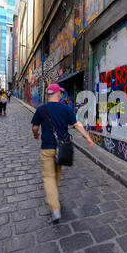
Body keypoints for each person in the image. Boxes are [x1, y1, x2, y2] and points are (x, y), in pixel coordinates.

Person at [31, 84, 94, 224]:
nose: (61, 94)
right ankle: (54, 199)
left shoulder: (41, 109)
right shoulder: (66, 108)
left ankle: (54, 208)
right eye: (60, 93)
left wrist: (36, 134)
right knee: (57, 173)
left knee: (48, 177)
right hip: (62, 148)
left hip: (47, 148)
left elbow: (35, 127)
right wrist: (87, 137)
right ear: (57, 94)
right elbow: (77, 124)